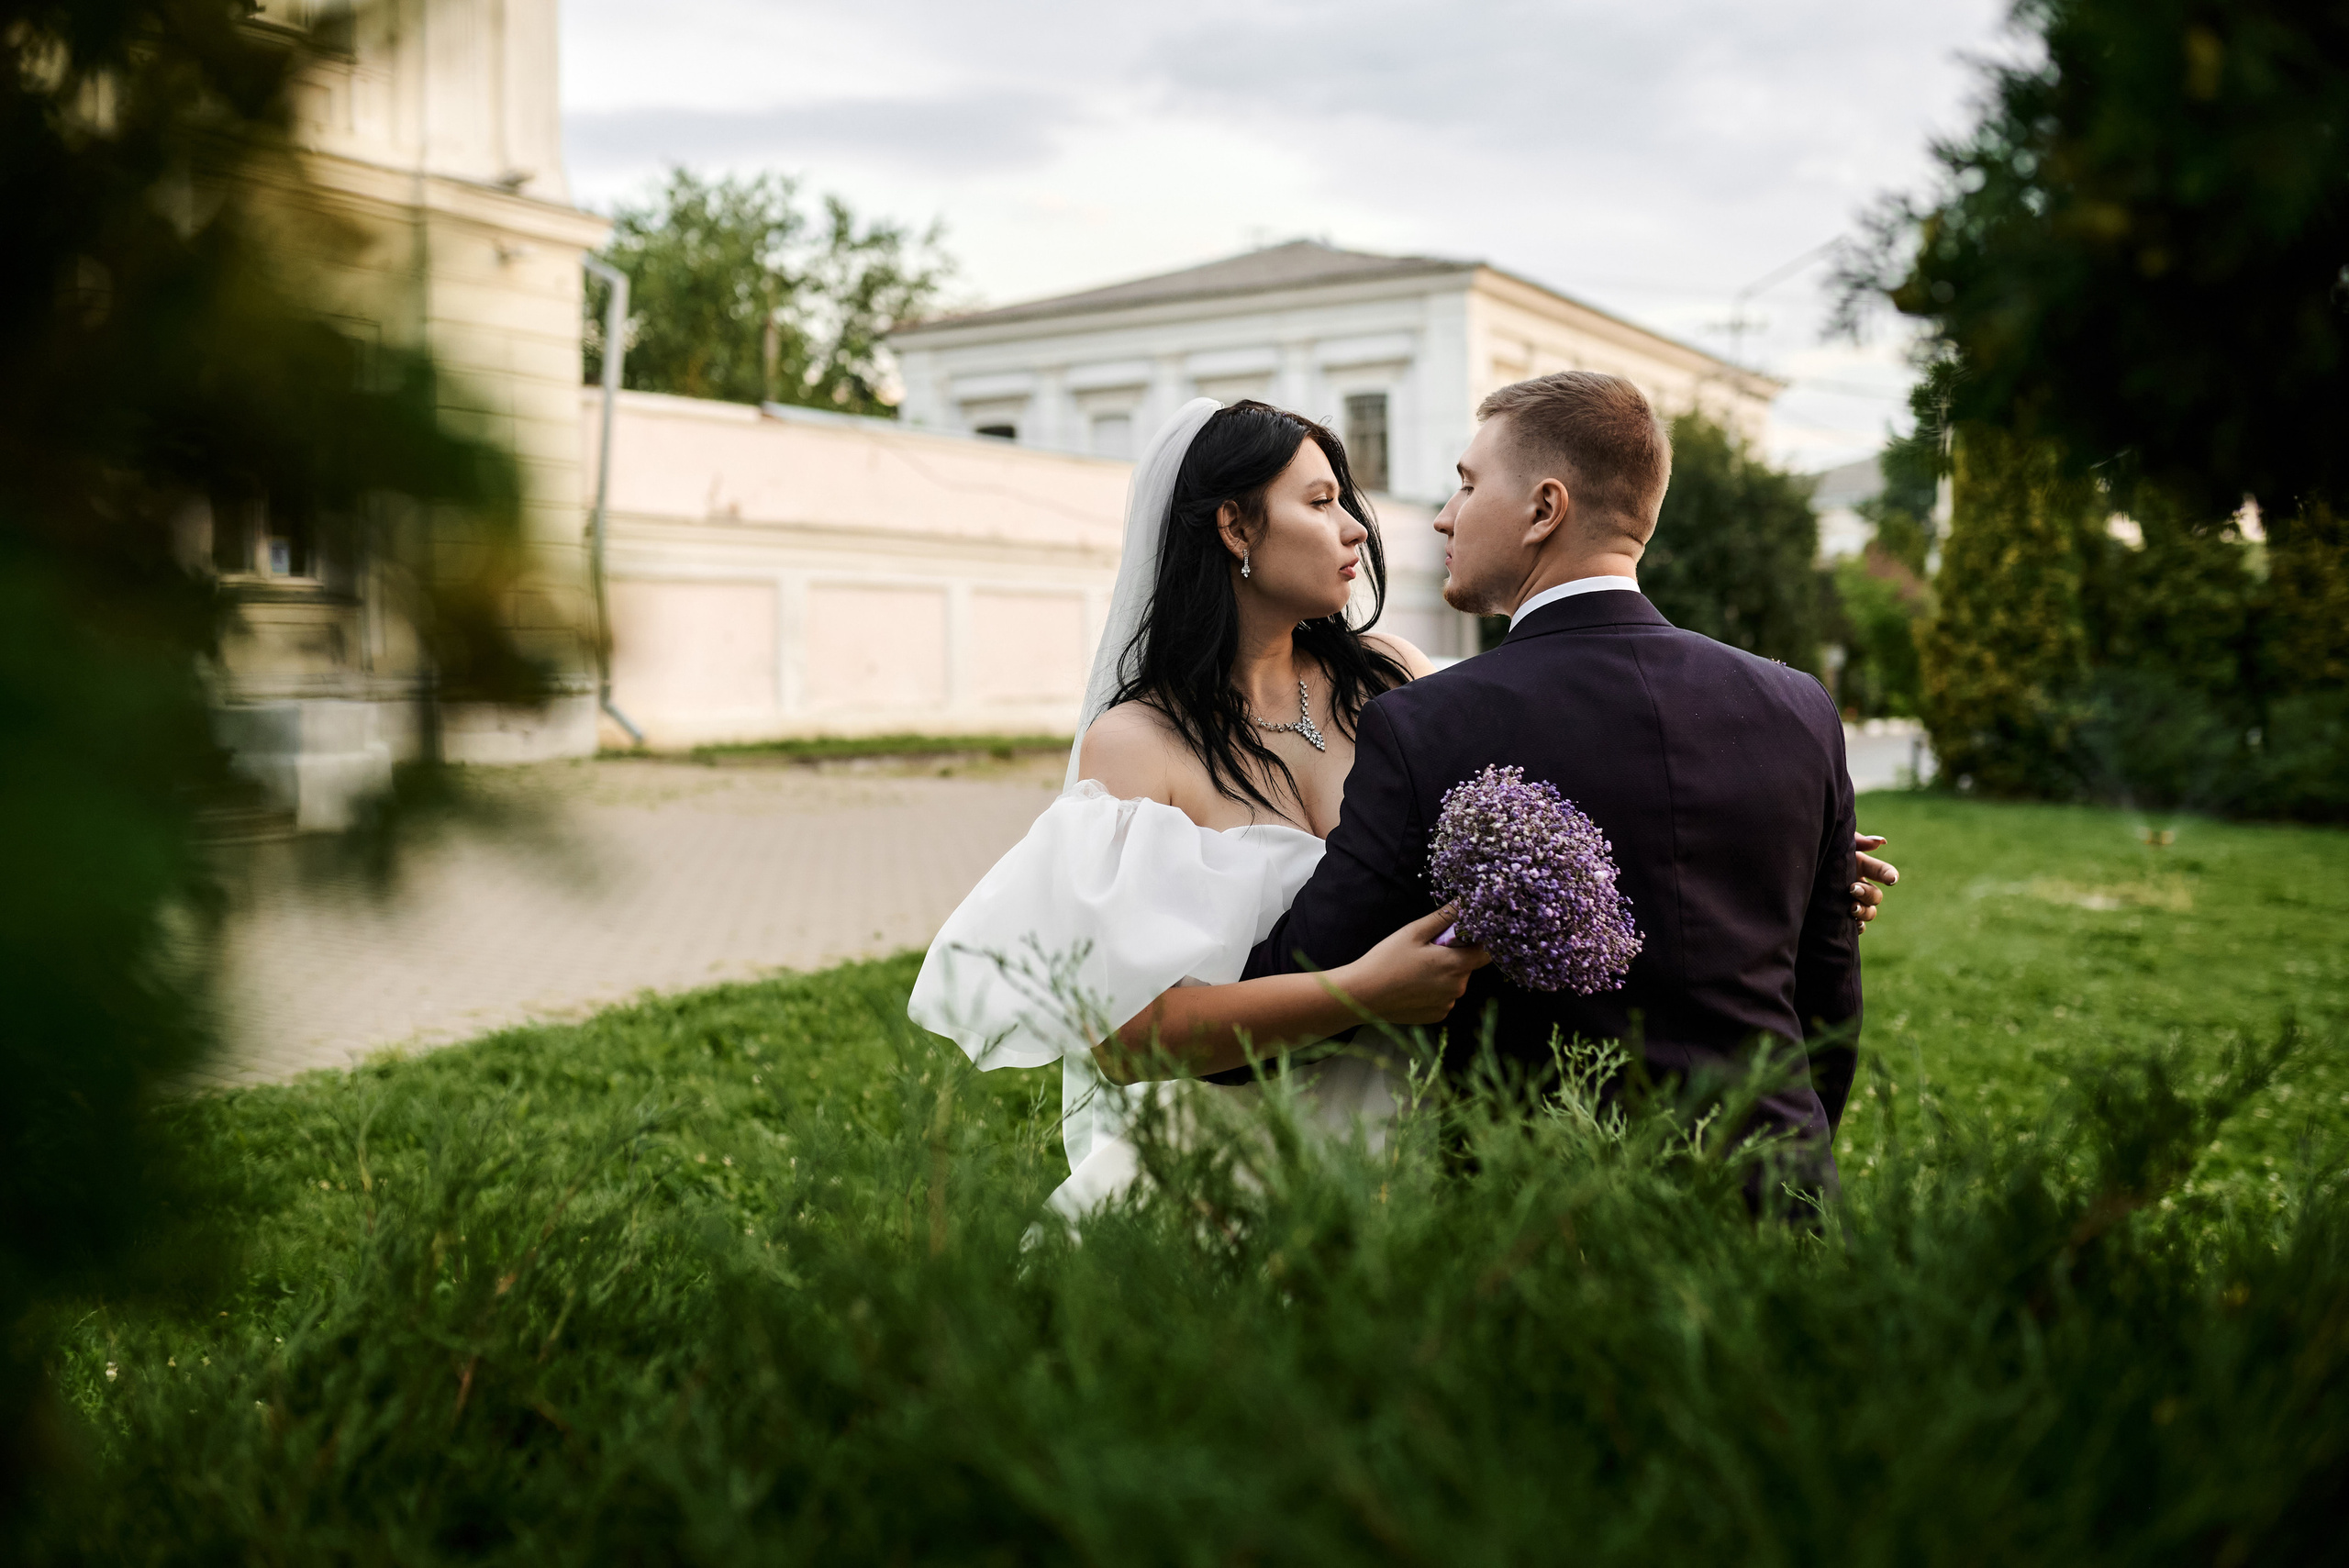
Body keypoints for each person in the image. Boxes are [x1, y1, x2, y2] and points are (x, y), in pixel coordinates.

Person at [909, 393, 1895, 1218]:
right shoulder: (1138, 744)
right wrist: (1364, 992)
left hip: (1412, 1152)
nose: (1362, 527)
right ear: (1234, 525)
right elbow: (1117, 1032)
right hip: (1231, 1163)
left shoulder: (1396, 688)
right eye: (1322, 499)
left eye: (1355, 498)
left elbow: (1560, 818)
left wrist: (1771, 860)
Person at [1243, 372, 1871, 1194]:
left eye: (1467, 485)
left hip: (1547, 1226)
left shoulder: (1431, 727)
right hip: (1780, 1192)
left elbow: (1296, 1001)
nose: (1442, 514)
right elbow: (1829, 1009)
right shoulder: (1799, 708)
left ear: (1545, 509)